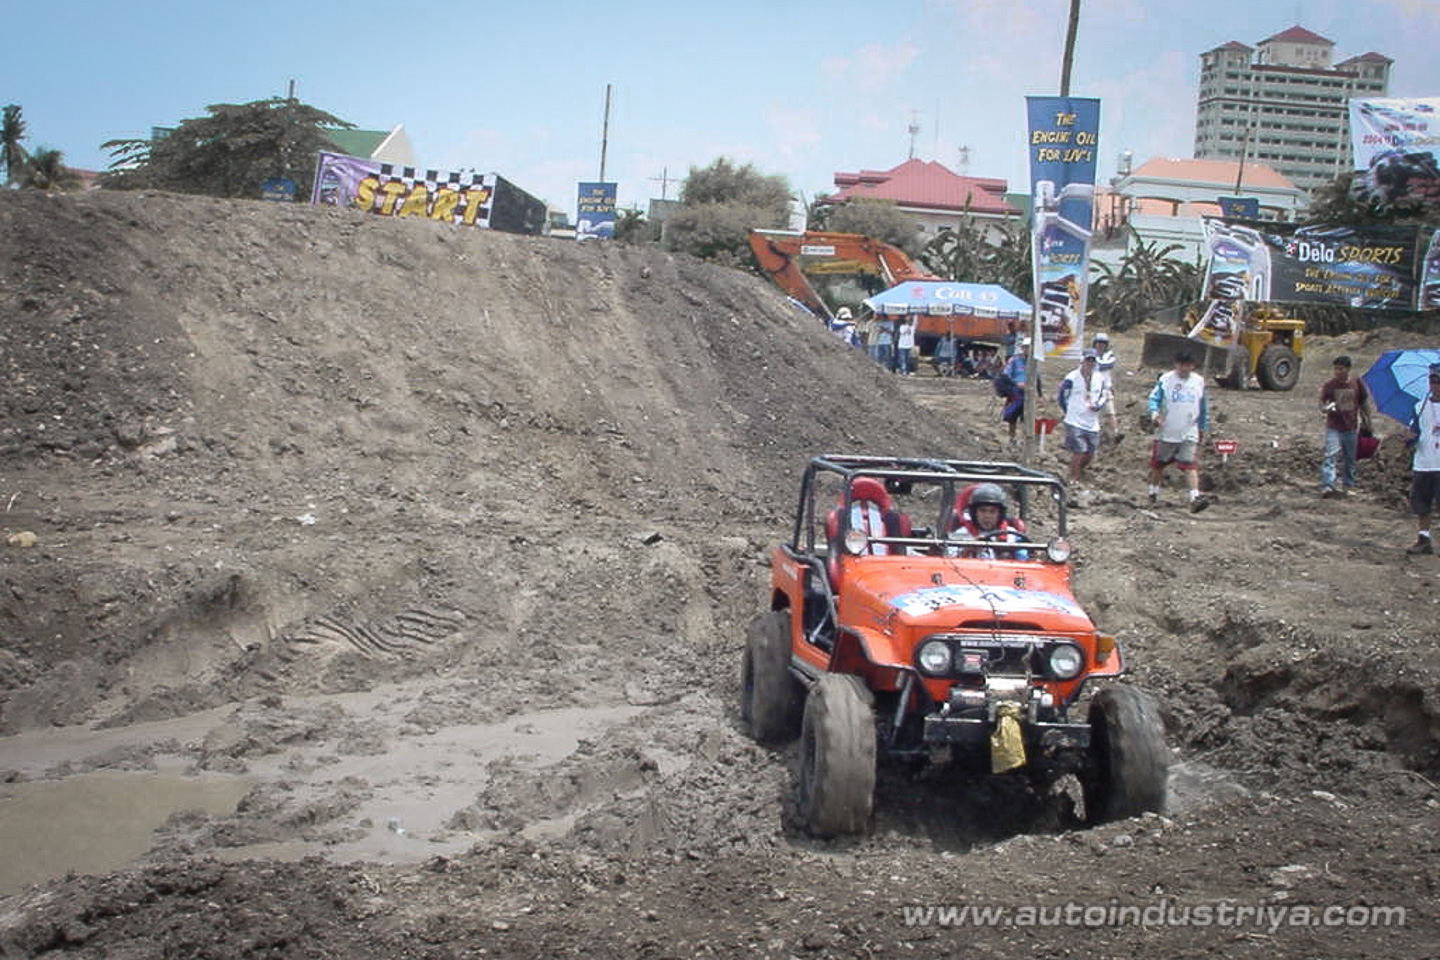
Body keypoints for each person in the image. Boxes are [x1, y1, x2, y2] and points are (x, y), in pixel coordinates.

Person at [1147, 350, 1211, 512]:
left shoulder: (1199, 382)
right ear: (1176, 364)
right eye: (1182, 365)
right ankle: (1153, 493)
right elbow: (1154, 398)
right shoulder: (1166, 380)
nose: (1184, 368)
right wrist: (1154, 414)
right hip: (1167, 430)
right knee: (1159, 465)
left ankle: (1194, 498)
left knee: (1189, 464)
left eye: (1188, 365)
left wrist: (1203, 426)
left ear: (1193, 366)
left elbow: (1203, 407)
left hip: (1189, 430)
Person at [1318, 355, 1373, 498]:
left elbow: (1364, 402)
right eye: (1336, 369)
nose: (1337, 372)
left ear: (1348, 369)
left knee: (1350, 457)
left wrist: (1368, 420)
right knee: (1330, 454)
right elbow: (1322, 402)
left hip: (1351, 427)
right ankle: (1328, 485)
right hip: (1334, 426)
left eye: (1340, 369)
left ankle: (1347, 485)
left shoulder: (1357, 383)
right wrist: (1325, 409)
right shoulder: (1330, 385)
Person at [1058, 349, 1112, 484]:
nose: (1090, 363)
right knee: (1079, 450)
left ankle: (1076, 469)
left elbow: (1104, 395)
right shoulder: (1071, 378)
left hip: (1091, 421)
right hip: (1074, 420)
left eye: (1093, 361)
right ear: (1082, 361)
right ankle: (1074, 478)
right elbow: (1062, 396)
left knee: (1090, 453)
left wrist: (1098, 406)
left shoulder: (1099, 378)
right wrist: (1068, 411)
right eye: (1088, 360)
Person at [1404, 363, 1440, 555]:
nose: (1435, 385)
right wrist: (1410, 438)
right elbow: (1414, 433)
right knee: (1422, 504)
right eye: (1433, 381)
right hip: (1424, 463)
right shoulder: (1419, 407)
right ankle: (1424, 538)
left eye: (1438, 381)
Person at [946, 483, 1028, 559]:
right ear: (974, 513)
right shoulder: (960, 534)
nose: (987, 516)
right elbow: (949, 562)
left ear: (1000, 514)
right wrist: (968, 549)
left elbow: (1024, 562)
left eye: (992, 511)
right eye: (982, 511)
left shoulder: (1012, 535)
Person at [998, 338, 1032, 444]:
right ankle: (1012, 438)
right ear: (1022, 348)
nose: (1027, 350)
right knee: (1012, 416)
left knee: (1027, 417)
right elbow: (1006, 376)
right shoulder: (1014, 361)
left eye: (1029, 348)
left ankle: (1024, 439)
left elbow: (1037, 377)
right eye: (1026, 347)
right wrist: (1017, 384)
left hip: (1029, 393)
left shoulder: (1033, 362)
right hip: (1016, 392)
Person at [1091, 331, 1122, 439]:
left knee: (1110, 412)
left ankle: (1116, 433)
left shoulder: (1109, 355)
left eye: (1103, 343)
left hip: (1105, 388)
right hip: (1092, 389)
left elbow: (1107, 365)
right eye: (1098, 343)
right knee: (1094, 412)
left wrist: (1095, 363)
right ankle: (1095, 434)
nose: (1100, 345)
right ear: (1095, 344)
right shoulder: (1090, 354)